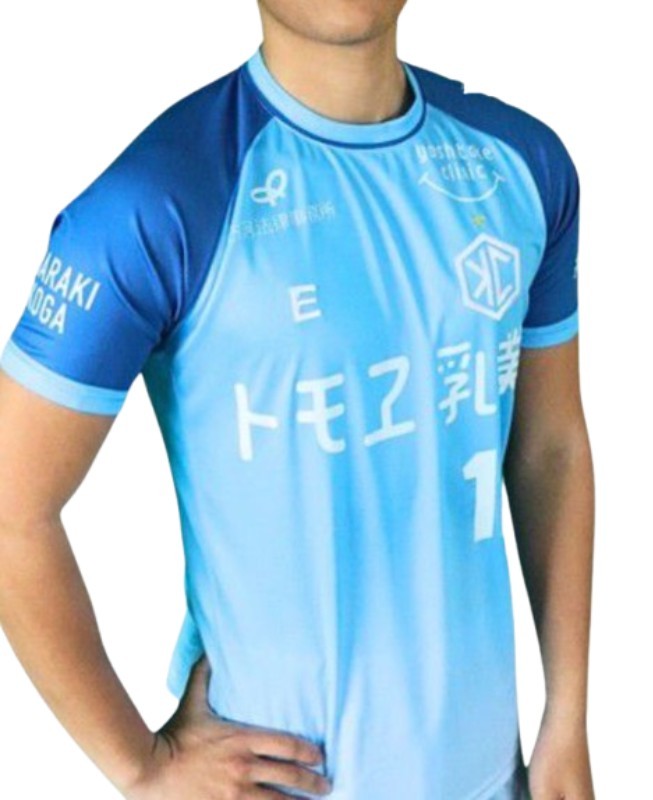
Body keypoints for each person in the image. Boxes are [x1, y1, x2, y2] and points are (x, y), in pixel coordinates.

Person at [0, 1, 596, 798]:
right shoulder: (160, 200)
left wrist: (566, 719)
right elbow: (12, 506)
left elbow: (549, 446)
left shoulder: (520, 164)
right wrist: (140, 767)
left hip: (493, 776)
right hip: (286, 781)